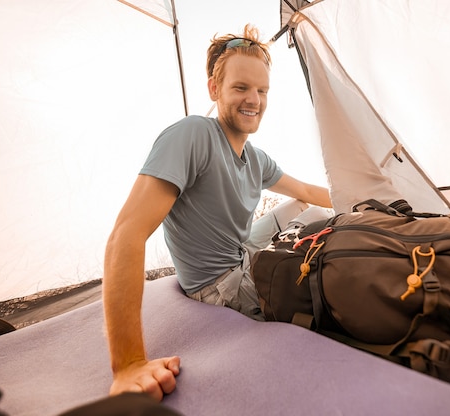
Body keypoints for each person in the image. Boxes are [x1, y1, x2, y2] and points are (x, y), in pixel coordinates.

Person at [102, 24, 332, 402]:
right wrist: (128, 364)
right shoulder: (193, 134)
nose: (253, 99)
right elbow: (125, 235)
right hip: (219, 284)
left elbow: (306, 190)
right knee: (322, 275)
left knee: (308, 209)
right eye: (241, 88)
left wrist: (361, 203)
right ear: (214, 89)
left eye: (262, 90)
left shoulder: (255, 158)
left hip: (241, 249)